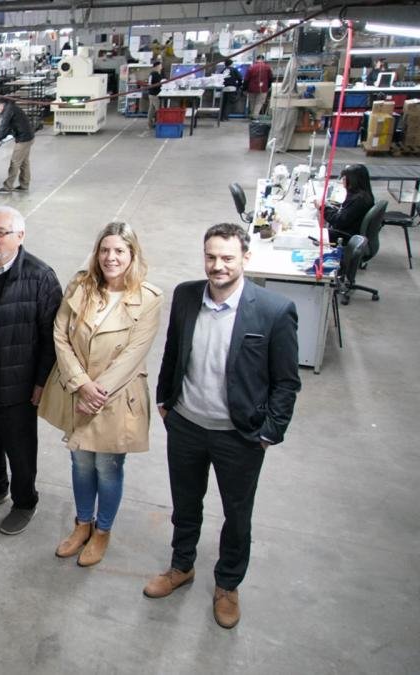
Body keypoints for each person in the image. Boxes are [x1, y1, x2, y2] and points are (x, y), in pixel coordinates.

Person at [144, 223, 300, 629]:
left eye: (228, 258)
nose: (218, 266)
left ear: (245, 258)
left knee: (237, 514)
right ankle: (181, 566)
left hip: (239, 436)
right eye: (211, 257)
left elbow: (286, 382)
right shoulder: (185, 295)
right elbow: (173, 351)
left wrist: (269, 432)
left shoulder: (273, 310)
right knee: (185, 505)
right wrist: (165, 401)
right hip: (187, 425)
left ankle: (228, 584)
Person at [38, 222, 163, 567]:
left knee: (107, 466)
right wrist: (81, 383)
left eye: (119, 251)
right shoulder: (81, 286)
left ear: (132, 254)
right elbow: (60, 333)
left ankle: (102, 530)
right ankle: (83, 524)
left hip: (115, 398)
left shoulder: (149, 299)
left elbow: (134, 354)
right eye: (105, 250)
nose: (111, 257)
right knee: (80, 462)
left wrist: (96, 391)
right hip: (78, 391)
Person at [0, 206, 62, 535]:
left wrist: (41, 381)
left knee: (20, 449)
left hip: (18, 384)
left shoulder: (40, 276)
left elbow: (53, 336)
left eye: (1, 232)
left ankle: (24, 502)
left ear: (20, 236)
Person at [318, 163, 375, 244]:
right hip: (350, 231)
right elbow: (346, 214)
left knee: (313, 233)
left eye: (345, 179)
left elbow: (338, 222)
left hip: (346, 237)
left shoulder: (358, 200)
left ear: (352, 181)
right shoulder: (364, 194)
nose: (342, 181)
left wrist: (322, 207)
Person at [0, 98, 35, 193]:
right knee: (24, 162)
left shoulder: (8, 110)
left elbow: (4, 125)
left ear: (1, 105)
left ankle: (7, 187)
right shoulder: (12, 108)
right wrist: (0, 137)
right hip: (28, 137)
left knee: (15, 162)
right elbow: (9, 126)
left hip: (23, 139)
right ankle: (24, 185)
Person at [146, 61, 164, 129]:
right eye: (160, 65)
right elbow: (150, 84)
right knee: (158, 109)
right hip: (154, 94)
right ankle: (159, 124)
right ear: (157, 66)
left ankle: (150, 124)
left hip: (154, 94)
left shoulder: (159, 73)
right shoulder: (153, 74)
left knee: (151, 109)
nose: (161, 67)